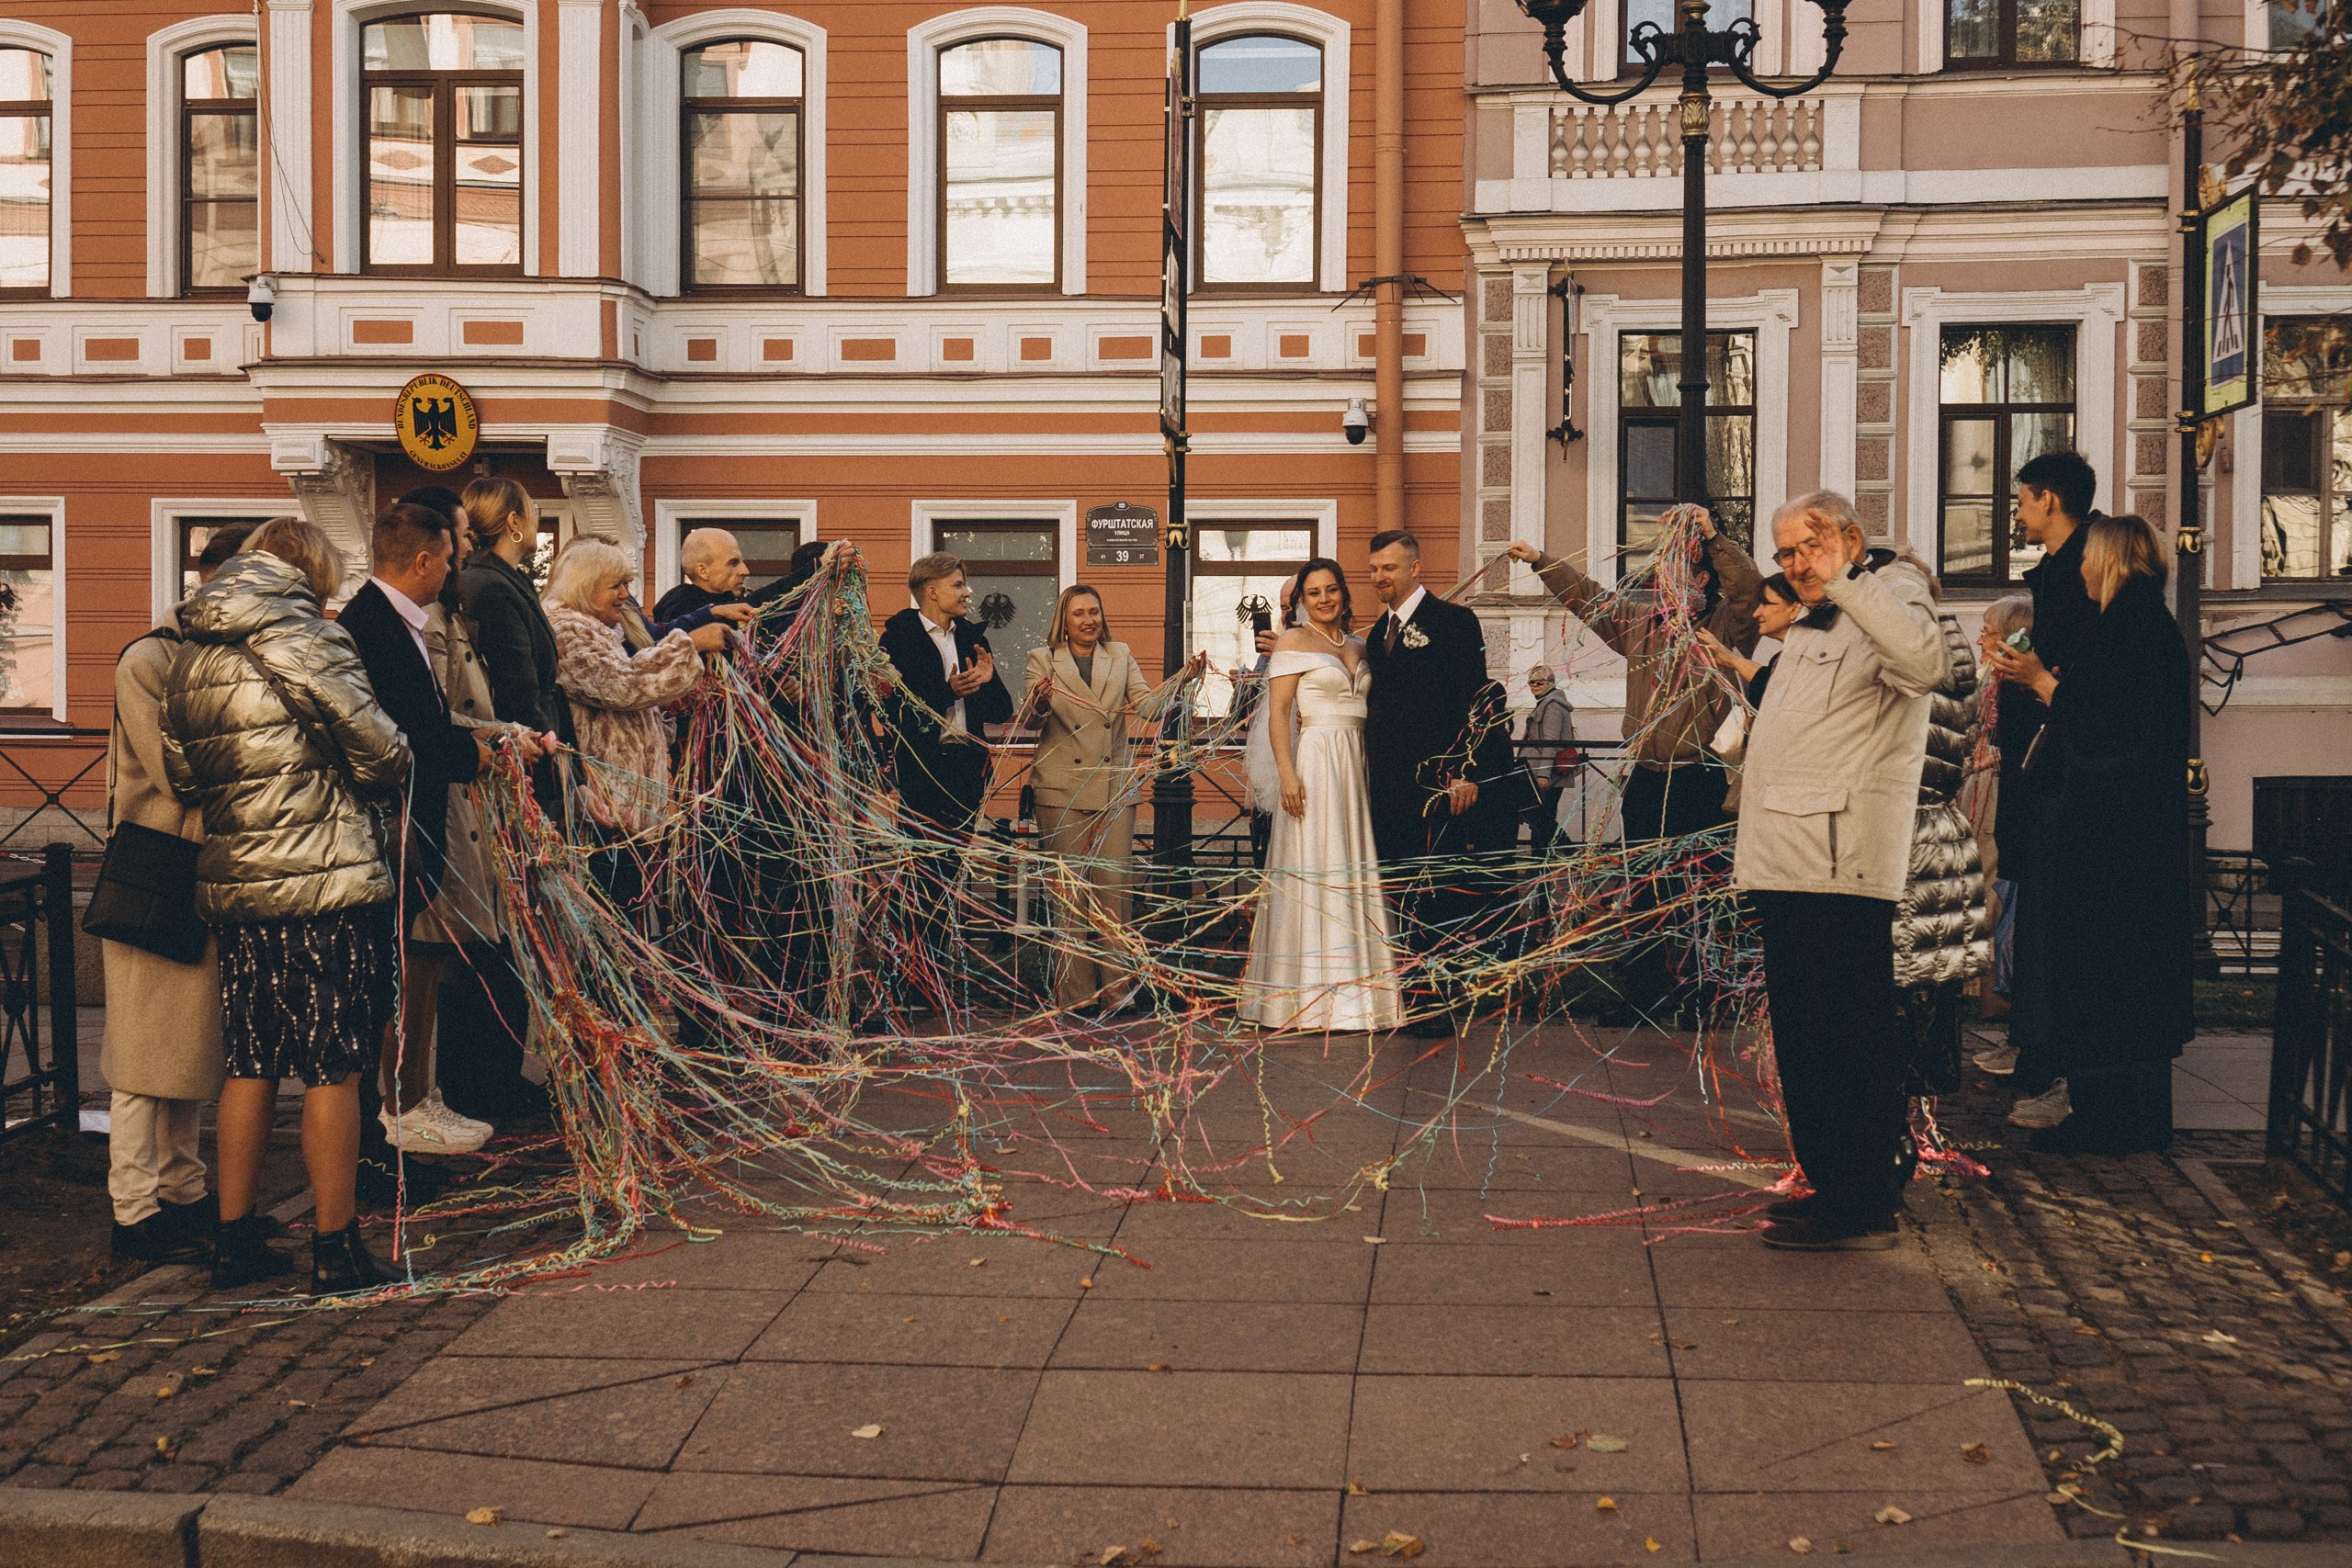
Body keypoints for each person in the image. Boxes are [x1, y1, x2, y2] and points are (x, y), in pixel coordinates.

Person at [162, 517, 413, 1293]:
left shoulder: (192, 652)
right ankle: (335, 1248)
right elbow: (383, 751)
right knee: (334, 1063)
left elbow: (183, 775)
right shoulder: (311, 638)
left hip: (237, 885)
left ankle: (232, 1240)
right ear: (310, 569)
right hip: (322, 881)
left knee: (250, 1060)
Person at [1732, 491, 1947, 1251]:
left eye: (1809, 548)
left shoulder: (1889, 594)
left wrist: (1848, 577)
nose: (1796, 566)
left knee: (1845, 1038)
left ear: (1851, 539)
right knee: (1806, 1040)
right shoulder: (1816, 619)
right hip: (1789, 858)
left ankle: (1859, 1199)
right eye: (1786, 553)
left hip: (1836, 861)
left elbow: (1926, 663)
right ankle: (1833, 1182)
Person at [1508, 505, 1762, 1023]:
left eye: (1676, 571)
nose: (1664, 581)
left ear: (1702, 578)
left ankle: (1703, 996)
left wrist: (1713, 535)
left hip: (1701, 778)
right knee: (1647, 890)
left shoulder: (1725, 626)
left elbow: (1750, 590)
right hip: (1645, 780)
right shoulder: (1643, 623)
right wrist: (1540, 560)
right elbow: (1591, 601)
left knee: (1703, 890)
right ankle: (1646, 994)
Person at [1998, 514, 2192, 1155]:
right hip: (2114, 838)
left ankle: (2109, 1123)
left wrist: (2043, 682)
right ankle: (2104, 1115)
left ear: (2110, 560)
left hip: (2114, 842)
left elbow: (2116, 731)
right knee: (2102, 979)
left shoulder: (2131, 629)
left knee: (2107, 979)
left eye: (2089, 559)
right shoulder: (2131, 625)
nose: (2079, 569)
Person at [97, 520, 255, 1265]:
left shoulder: (215, 656)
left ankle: (184, 1190)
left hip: (206, 869)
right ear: (216, 581)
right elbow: (174, 771)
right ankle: (133, 1207)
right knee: (141, 1056)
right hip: (156, 869)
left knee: (194, 1050)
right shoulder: (149, 658)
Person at [338, 502, 499, 1159]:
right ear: (424, 559)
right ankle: (394, 1115)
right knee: (396, 976)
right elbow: (406, 734)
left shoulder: (398, 620)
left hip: (417, 824)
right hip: (395, 825)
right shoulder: (373, 625)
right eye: (450, 556)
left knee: (414, 973)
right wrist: (473, 755)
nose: (455, 566)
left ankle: (409, 1104)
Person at [1983, 450, 2100, 1126]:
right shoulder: (2058, 575)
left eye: (2022, 500)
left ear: (2050, 499)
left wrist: (2032, 675)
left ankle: (2056, 1069)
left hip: (2059, 775)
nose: (2017, 511)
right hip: (2038, 773)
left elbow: (2068, 679)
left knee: (2051, 925)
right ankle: (2036, 1055)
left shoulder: (2078, 575)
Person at [1017, 586, 1199, 1010]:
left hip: (1115, 790)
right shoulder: (1041, 659)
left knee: (1113, 895)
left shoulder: (1120, 653)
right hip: (1060, 789)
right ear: (1064, 618)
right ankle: (1076, 995)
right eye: (1078, 613)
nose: (1088, 620)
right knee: (1069, 895)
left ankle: (1117, 992)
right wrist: (1039, 701)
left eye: (1094, 611)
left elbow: (1150, 708)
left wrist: (1182, 678)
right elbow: (1029, 720)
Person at [1240, 558, 1403, 1034]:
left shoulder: (1361, 645)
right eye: (1314, 593)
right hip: (1313, 761)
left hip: (1357, 763)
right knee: (1315, 865)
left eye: (1332, 590)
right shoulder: (1292, 642)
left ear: (1344, 595)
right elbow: (1278, 715)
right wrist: (1288, 774)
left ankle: (1361, 997)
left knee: (1354, 863)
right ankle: (1305, 998)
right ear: (1300, 602)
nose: (1325, 599)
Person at [542, 540, 726, 908]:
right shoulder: (566, 629)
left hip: (625, 807)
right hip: (602, 807)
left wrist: (664, 721)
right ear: (583, 584)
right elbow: (620, 686)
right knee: (610, 908)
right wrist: (688, 644)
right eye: (616, 586)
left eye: (627, 584)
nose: (626, 596)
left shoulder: (597, 628)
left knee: (630, 904)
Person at [1363, 530, 1488, 1036]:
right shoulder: (1377, 633)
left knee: (1437, 890)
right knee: (1399, 886)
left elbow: (1477, 700)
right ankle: (1411, 995)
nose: (1379, 577)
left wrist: (1467, 771)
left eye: (1388, 568)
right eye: (1373, 569)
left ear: (1416, 568)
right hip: (1388, 785)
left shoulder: (1453, 621)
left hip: (1441, 783)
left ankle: (1440, 1001)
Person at [878, 553, 1014, 1011]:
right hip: (922, 770)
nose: (967, 592)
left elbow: (998, 711)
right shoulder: (898, 638)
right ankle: (907, 982)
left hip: (965, 771)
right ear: (931, 590)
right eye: (958, 584)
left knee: (951, 875)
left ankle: (937, 980)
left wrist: (989, 680)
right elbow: (894, 711)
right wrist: (946, 692)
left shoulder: (973, 637)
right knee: (918, 877)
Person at [1888, 557, 1990, 1111]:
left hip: (1908, 836)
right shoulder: (1954, 647)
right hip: (1940, 833)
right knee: (1931, 984)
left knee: (1907, 987)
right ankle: (1915, 1123)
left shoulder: (1919, 658)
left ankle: (1899, 1131)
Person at [458, 477, 574, 759]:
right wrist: (554, 754)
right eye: (532, 509)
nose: (537, 519)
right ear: (514, 522)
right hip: (527, 750)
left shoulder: (507, 579)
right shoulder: (492, 587)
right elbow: (517, 687)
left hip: (533, 737)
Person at [1971, 594, 2036, 1045]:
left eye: (1989, 632)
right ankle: (1992, 998)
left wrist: (1992, 754)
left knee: (1999, 903)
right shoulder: (1986, 680)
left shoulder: (2017, 685)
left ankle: (2005, 1005)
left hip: (2000, 804)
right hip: (1979, 799)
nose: (1980, 639)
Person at [1696, 570, 1804, 815]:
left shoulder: (1804, 657)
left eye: (1767, 603)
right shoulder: (1784, 657)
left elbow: (1775, 688)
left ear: (1795, 609)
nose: (1757, 612)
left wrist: (1731, 660)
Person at [1520, 664, 1577, 851]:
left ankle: (1568, 851)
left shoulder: (1552, 706)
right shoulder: (1547, 703)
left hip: (1547, 774)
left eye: (1539, 682)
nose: (1534, 685)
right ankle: (1541, 863)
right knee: (1542, 817)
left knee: (1540, 817)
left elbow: (1550, 741)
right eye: (1531, 682)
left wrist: (1543, 774)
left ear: (1550, 683)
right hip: (1542, 772)